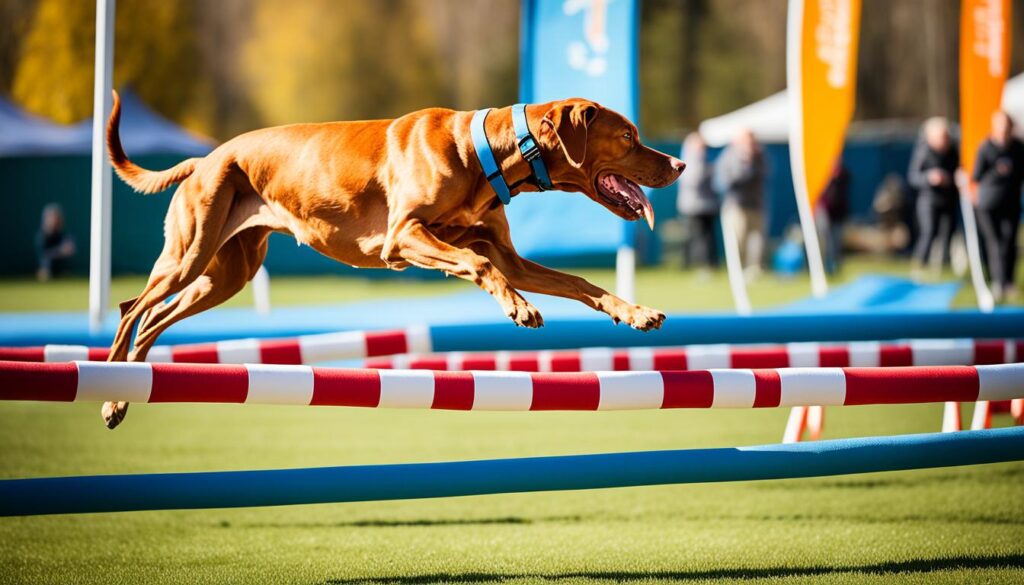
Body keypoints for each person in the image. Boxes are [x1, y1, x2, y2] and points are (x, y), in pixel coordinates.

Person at [973, 111, 1024, 302]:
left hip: (1010, 202)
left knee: (1010, 242)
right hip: (988, 203)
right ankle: (998, 282)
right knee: (994, 243)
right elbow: (977, 175)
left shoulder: (1018, 148)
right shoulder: (985, 147)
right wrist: (997, 172)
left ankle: (1009, 281)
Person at [907, 117, 959, 278]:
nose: (943, 141)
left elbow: (961, 171)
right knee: (929, 231)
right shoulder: (923, 152)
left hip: (949, 198)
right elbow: (913, 176)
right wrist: (930, 178)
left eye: (945, 137)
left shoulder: (954, 152)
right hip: (928, 199)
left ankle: (945, 267)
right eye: (940, 138)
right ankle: (920, 264)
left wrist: (951, 178)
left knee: (948, 234)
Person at [714, 128, 766, 277]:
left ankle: (753, 271)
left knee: (756, 241)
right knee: (738, 242)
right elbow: (723, 182)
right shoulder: (729, 157)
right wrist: (745, 170)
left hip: (756, 204)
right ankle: (737, 272)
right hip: (736, 206)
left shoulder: (759, 156)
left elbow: (765, 174)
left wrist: (753, 162)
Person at [676, 132, 718, 273]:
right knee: (696, 237)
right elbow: (693, 179)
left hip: (708, 205)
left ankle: (709, 265)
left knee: (707, 237)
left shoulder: (707, 158)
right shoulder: (689, 159)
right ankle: (698, 265)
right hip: (693, 205)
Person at [815, 159, 850, 273]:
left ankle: (836, 265)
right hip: (825, 212)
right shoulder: (821, 175)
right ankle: (826, 265)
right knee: (826, 239)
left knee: (836, 241)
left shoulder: (842, 175)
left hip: (837, 214)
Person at [36, 203, 75, 281]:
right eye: (52, 218)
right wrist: (60, 251)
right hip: (48, 269)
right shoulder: (42, 236)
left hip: (61, 269)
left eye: (57, 218)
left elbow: (70, 248)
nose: (54, 221)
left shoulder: (63, 235)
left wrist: (66, 249)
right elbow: (44, 254)